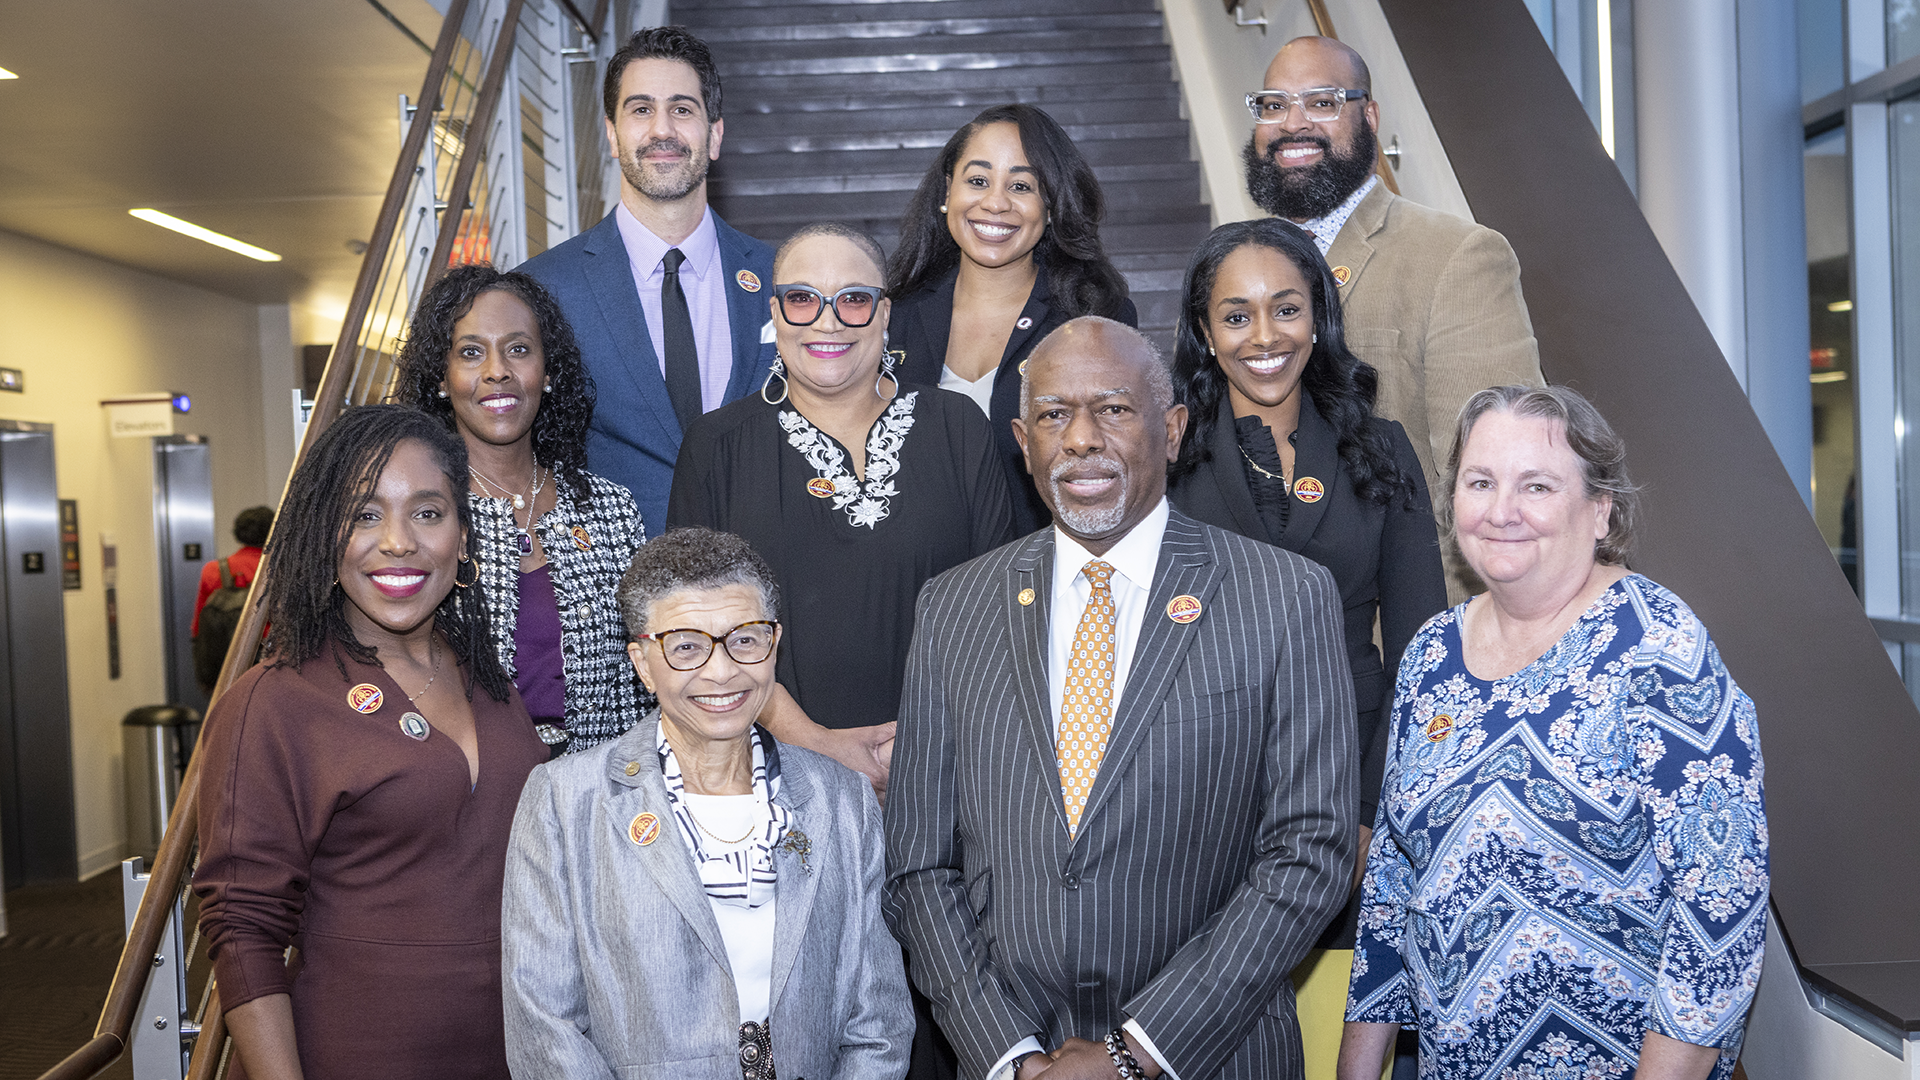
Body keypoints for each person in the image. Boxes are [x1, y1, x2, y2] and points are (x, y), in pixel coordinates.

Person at [886, 316, 1357, 1080]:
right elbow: (918, 863)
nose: (1079, 439)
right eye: (1052, 415)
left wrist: (1133, 1054)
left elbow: (1310, 852)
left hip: (1212, 1056)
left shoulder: (1284, 596)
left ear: (1171, 430)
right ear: (1023, 439)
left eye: (1112, 409)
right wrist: (1007, 1055)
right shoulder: (952, 608)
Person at [1340, 386, 1768, 1080]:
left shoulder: (1660, 650)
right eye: (1480, 482)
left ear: (1600, 509)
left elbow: (1721, 913)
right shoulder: (1429, 654)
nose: (1501, 511)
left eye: (1535, 485)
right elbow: (1393, 879)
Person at [1165, 217, 1448, 1073]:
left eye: (1286, 309)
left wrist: (1368, 814)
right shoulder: (1164, 454)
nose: (1264, 337)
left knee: (1340, 1046)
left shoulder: (1381, 447)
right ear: (1205, 333)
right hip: (1200, 802)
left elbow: (1421, 655)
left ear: (1319, 319)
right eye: (1237, 315)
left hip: (1354, 788)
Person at [194, 406, 548, 1080]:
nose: (397, 542)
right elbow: (244, 932)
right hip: (350, 1054)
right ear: (326, 537)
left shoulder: (489, 680)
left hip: (514, 1056)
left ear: (465, 539)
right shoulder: (275, 702)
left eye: (427, 513)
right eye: (363, 515)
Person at [501, 526, 912, 1079]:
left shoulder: (840, 800)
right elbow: (545, 1027)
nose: (721, 671)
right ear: (644, 664)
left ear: (774, 644)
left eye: (745, 639)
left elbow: (879, 1021)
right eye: (687, 646)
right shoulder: (565, 802)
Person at [668, 222, 1014, 798]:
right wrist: (812, 743)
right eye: (802, 299)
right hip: (781, 775)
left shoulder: (957, 427)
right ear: (775, 315)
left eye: (854, 300)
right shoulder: (716, 447)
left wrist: (924, 746)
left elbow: (1001, 607)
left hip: (953, 767)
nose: (827, 322)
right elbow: (699, 627)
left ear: (884, 315)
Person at [1245, 36, 1542, 599]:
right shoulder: (1237, 269)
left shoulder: (1458, 257)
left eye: (1323, 102)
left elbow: (1497, 476)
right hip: (1268, 633)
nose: (1292, 123)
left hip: (1400, 632)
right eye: (1273, 104)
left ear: (1370, 116)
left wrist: (1462, 646)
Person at [519, 26, 776, 533]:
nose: (663, 130)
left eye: (682, 109)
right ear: (613, 136)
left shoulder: (780, 278)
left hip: (767, 583)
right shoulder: (541, 290)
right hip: (611, 593)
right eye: (641, 109)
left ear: (715, 134)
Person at [397, 264, 648, 755]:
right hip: (468, 798)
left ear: (547, 370)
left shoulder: (610, 509)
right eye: (471, 353)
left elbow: (640, 684)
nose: (497, 371)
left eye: (518, 349)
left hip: (600, 798)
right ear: (442, 379)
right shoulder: (418, 519)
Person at [888, 104, 1138, 535]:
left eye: (1021, 185)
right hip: (919, 579)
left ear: (1050, 203)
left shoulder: (1093, 320)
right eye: (978, 181)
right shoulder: (894, 317)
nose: (995, 203)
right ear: (949, 191)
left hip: (1046, 575)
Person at [192, 504, 274, 694]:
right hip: (269, 665)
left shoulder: (214, 570)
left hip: (225, 666)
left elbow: (198, 626)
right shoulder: (282, 569)